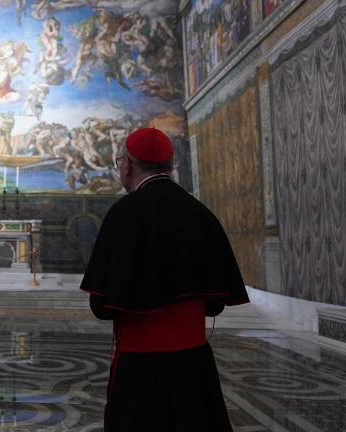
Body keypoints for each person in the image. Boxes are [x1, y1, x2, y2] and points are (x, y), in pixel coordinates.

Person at [80, 128, 248, 431]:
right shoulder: (200, 213)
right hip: (193, 366)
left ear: (127, 165)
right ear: (170, 165)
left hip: (138, 369)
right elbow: (215, 306)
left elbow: (101, 307)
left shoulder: (123, 214)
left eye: (120, 163)